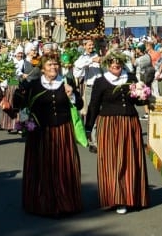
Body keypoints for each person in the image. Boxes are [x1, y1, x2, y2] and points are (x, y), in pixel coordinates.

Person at [13, 53, 83, 217]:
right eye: (50, 65)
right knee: (43, 167)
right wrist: (20, 90)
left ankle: (65, 202)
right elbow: (19, 104)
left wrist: (72, 94)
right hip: (40, 132)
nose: (53, 68)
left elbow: (79, 104)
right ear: (42, 69)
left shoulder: (66, 82)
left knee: (63, 166)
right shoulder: (34, 85)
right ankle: (43, 203)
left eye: (55, 64)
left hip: (62, 131)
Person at [84, 52, 149, 214]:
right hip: (109, 125)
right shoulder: (100, 81)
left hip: (129, 123)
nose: (116, 65)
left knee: (130, 159)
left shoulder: (131, 78)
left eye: (118, 62)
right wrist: (88, 127)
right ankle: (116, 197)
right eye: (112, 63)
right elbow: (94, 105)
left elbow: (137, 101)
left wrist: (142, 95)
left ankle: (131, 195)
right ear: (107, 64)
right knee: (113, 161)